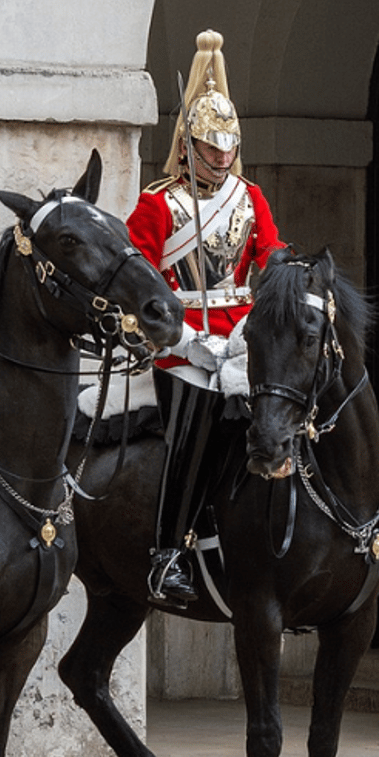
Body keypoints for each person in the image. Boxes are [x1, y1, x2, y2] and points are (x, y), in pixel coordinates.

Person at [126, 30, 284, 605]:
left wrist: (285, 274)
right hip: (182, 341)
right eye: (211, 147)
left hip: (241, 335)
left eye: (228, 146)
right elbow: (139, 284)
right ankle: (167, 552)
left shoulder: (250, 197)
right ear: (187, 144)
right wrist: (184, 340)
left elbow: (269, 254)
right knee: (193, 429)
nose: (222, 157)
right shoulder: (158, 203)